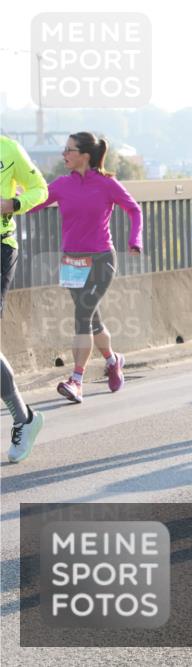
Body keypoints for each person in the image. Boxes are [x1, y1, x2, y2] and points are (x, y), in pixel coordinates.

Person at [32, 133, 142, 403]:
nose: (64, 154)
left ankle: (76, 380)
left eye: (69, 150)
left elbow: (134, 210)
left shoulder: (107, 184)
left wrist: (134, 239)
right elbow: (33, 204)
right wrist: (11, 204)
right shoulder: (61, 184)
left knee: (82, 316)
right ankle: (113, 360)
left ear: (85, 155)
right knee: (92, 320)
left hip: (101, 260)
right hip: (72, 261)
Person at [1, 135, 48, 462]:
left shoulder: (9, 149)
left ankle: (23, 418)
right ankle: (25, 420)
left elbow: (40, 190)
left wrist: (13, 204)